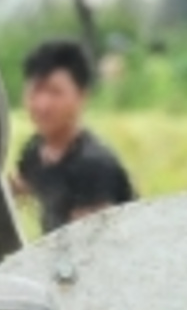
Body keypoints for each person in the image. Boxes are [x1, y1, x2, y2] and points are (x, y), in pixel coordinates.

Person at [8, 36, 136, 235]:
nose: (42, 105)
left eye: (55, 92)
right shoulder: (35, 151)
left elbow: (89, 247)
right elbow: (13, 190)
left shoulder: (93, 166)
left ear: (82, 96)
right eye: (36, 91)